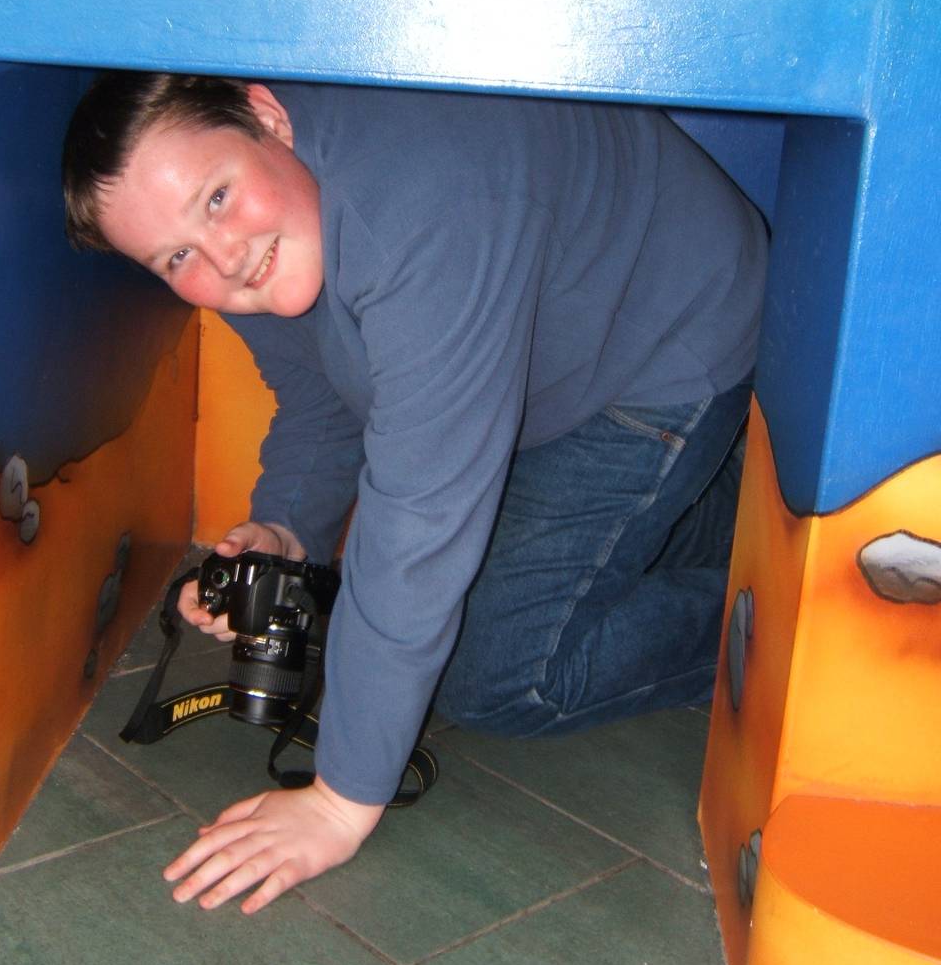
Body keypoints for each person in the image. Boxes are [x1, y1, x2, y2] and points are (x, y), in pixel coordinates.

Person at [62, 71, 767, 917]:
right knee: (467, 599)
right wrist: (286, 531)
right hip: (546, 369)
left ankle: (784, 626)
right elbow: (323, 400)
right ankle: (719, 517)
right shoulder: (267, 233)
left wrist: (339, 800)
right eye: (174, 257)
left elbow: (422, 513)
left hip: (661, 345)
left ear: (267, 117)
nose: (220, 257)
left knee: (500, 672)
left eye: (216, 198)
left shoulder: (420, 202)